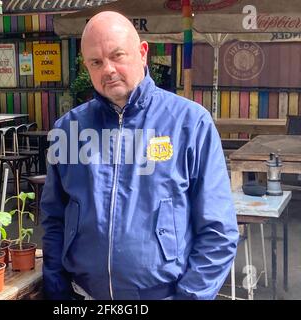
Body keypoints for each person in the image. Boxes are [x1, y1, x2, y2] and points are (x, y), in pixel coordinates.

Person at [40, 11, 239, 300]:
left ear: (142, 53)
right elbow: (54, 219)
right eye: (96, 62)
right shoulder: (68, 130)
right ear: (86, 66)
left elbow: (218, 232)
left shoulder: (190, 123)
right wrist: (57, 293)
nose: (108, 69)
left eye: (117, 55)